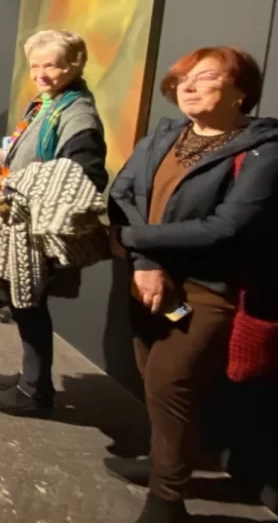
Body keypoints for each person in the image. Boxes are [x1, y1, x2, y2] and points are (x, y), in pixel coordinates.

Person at [107, 46, 278, 523]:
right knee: (150, 375)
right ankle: (170, 460)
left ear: (241, 91)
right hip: (151, 283)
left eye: (206, 77)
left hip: (207, 291)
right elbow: (122, 194)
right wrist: (145, 262)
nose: (189, 86)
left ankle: (167, 499)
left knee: (169, 382)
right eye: (183, 78)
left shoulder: (265, 151)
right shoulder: (163, 138)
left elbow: (226, 228)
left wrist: (129, 239)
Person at [0, 29, 107, 416]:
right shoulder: (47, 102)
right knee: (25, 306)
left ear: (73, 65)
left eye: (51, 65)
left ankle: (34, 391)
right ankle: (30, 375)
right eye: (35, 65)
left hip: (37, 227)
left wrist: (22, 186)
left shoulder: (77, 113)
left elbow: (83, 173)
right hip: (21, 218)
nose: (41, 73)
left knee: (31, 305)